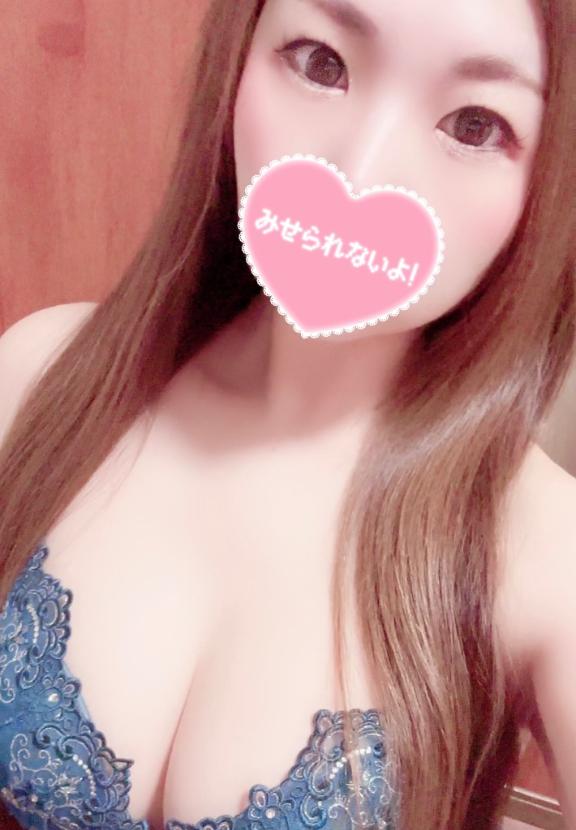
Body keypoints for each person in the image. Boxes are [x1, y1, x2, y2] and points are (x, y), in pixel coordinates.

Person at [0, 0, 574, 828]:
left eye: (475, 125)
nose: (360, 173)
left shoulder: (548, 553)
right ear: (237, 59)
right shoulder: (38, 373)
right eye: (320, 64)